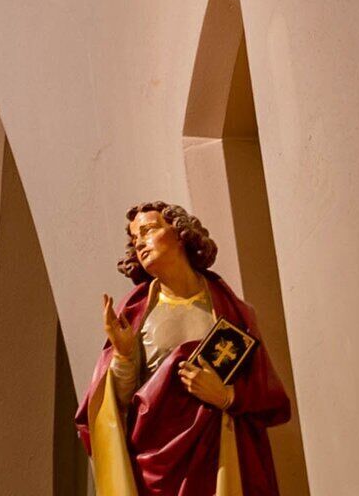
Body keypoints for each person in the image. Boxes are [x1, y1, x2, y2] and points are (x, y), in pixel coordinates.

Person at [82, 200, 294, 496]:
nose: (140, 242)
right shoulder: (135, 313)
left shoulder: (231, 311)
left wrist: (227, 397)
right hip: (155, 466)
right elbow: (115, 410)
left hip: (219, 458)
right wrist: (124, 356)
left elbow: (270, 397)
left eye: (149, 230)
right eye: (134, 238)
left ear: (180, 232)